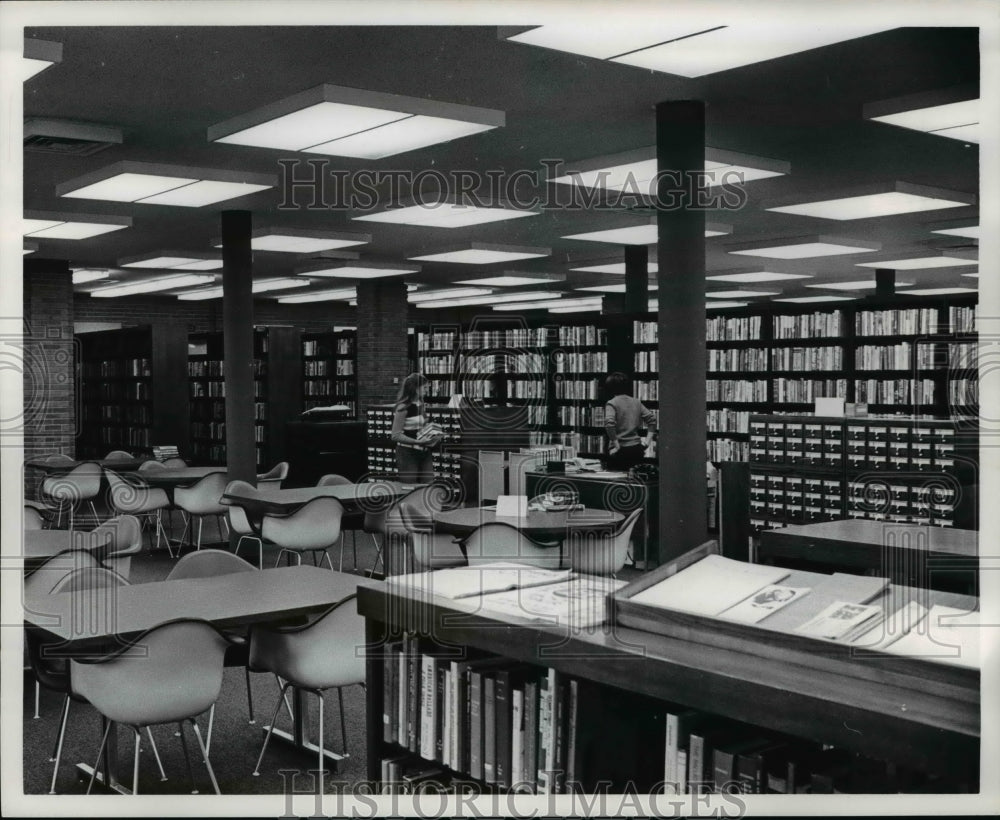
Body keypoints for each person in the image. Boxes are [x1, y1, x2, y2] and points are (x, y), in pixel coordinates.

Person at [390, 373, 442, 484]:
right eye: (425, 387)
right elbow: (395, 435)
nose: (427, 390)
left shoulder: (420, 404)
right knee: (409, 488)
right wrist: (417, 441)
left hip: (424, 451)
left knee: (428, 486)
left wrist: (433, 433)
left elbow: (421, 425)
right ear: (415, 388)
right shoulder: (402, 407)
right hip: (407, 453)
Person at [603, 372, 657, 471]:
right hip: (636, 449)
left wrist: (616, 446)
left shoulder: (612, 403)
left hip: (620, 450)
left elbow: (609, 424)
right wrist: (647, 443)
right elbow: (652, 420)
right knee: (635, 481)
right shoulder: (636, 402)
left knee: (617, 484)